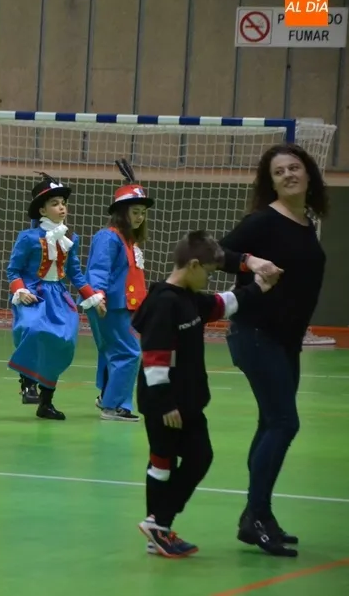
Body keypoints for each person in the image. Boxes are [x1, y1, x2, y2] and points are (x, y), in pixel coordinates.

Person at [134, 230, 274, 558]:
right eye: (208, 273)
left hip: (188, 401)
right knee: (169, 461)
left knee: (192, 457)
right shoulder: (164, 302)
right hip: (166, 404)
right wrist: (165, 403)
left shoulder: (189, 298)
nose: (209, 279)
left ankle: (158, 526)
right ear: (194, 265)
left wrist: (258, 287)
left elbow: (221, 304)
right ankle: (158, 527)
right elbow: (154, 357)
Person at [220, 144, 328, 557]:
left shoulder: (306, 223)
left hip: (285, 341)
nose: (288, 175)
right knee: (284, 423)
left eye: (294, 167)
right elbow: (214, 253)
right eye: (279, 171)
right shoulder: (263, 220)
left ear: (308, 174)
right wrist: (249, 262)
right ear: (272, 182)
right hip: (254, 333)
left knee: (271, 423)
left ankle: (257, 515)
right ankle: (256, 516)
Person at [7, 173, 105, 421]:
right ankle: (27, 379)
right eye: (55, 203)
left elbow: (75, 274)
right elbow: (13, 270)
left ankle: (46, 401)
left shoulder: (70, 239)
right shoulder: (28, 238)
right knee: (32, 328)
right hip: (33, 294)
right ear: (42, 210)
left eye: (63, 203)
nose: (61, 207)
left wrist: (93, 297)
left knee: (63, 341)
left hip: (58, 296)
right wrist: (20, 290)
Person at [83, 159, 154, 421]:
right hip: (111, 306)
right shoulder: (109, 237)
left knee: (114, 353)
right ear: (122, 212)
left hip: (123, 307)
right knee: (129, 353)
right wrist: (99, 296)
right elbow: (99, 269)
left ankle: (110, 399)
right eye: (135, 211)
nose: (140, 217)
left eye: (142, 212)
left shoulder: (128, 240)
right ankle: (111, 406)